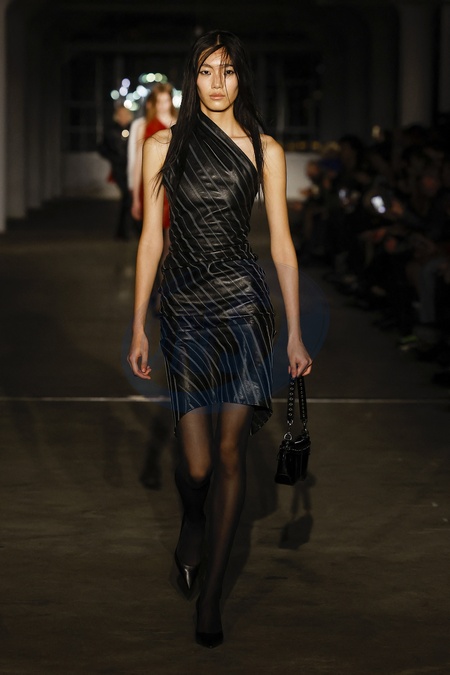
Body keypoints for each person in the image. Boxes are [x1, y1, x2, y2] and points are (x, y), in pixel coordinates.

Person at [127, 30, 312, 649]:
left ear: (240, 77)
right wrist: (138, 323)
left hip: (242, 307)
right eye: (206, 71)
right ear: (192, 78)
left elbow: (281, 245)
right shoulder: (162, 146)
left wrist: (295, 332)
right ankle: (193, 518)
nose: (216, 82)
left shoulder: (264, 149)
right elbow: (152, 239)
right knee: (198, 465)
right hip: (183, 307)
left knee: (230, 454)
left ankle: (211, 598)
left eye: (227, 70)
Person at [131, 84, 177, 310]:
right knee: (151, 243)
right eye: (159, 102)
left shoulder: (180, 124)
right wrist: (135, 198)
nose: (162, 106)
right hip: (152, 188)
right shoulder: (145, 126)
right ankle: (157, 291)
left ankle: (162, 293)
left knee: (170, 245)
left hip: (174, 189)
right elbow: (138, 163)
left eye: (166, 101)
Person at [98, 104, 134, 239]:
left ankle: (125, 229)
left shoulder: (134, 129)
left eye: (125, 114)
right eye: (120, 114)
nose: (123, 117)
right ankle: (123, 230)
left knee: (129, 198)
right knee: (127, 196)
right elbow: (102, 148)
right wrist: (114, 157)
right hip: (119, 168)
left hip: (132, 168)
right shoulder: (111, 130)